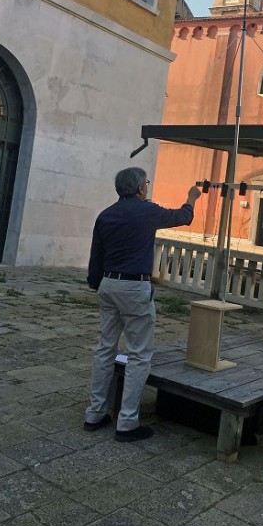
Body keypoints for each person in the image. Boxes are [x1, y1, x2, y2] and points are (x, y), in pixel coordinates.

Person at [84, 167, 201, 442]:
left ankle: (95, 413)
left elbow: (96, 255)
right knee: (138, 355)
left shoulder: (106, 215)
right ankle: (127, 423)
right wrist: (192, 196)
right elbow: (183, 217)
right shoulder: (147, 212)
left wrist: (96, 283)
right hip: (134, 287)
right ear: (140, 188)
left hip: (108, 284)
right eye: (146, 183)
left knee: (105, 349)